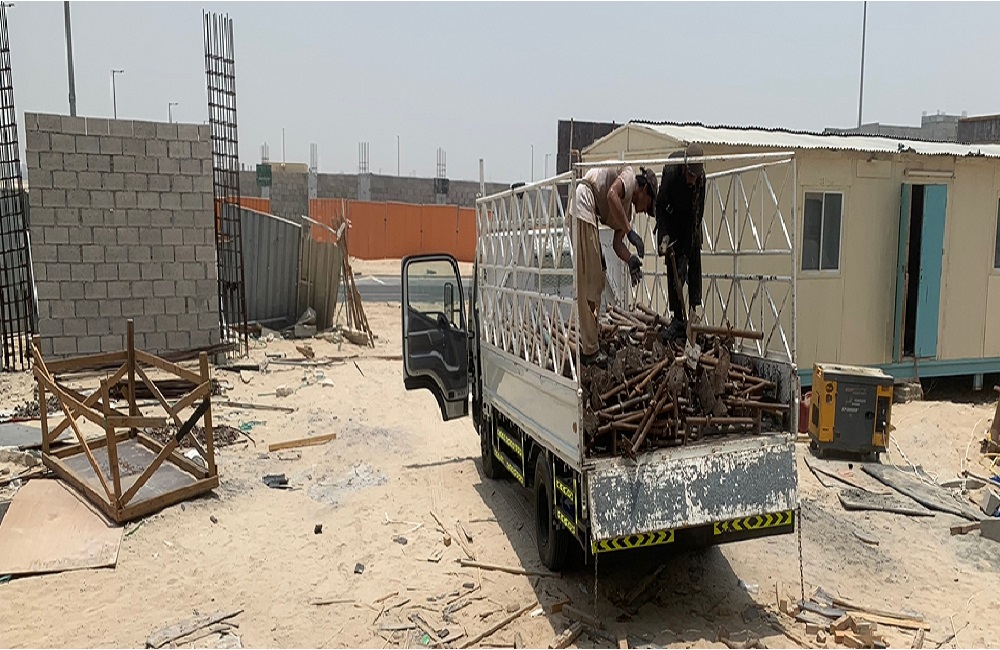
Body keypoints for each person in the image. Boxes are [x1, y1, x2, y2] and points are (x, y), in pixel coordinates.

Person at [573, 164, 657, 365]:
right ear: (644, 190)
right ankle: (590, 351)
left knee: (598, 278)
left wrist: (630, 260)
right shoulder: (628, 176)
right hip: (583, 203)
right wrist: (630, 232)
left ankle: (592, 341)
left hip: (589, 214)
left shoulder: (627, 213)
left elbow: (617, 245)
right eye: (648, 205)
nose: (645, 211)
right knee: (590, 281)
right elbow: (612, 195)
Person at [655, 143, 707, 342]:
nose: (692, 180)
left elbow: (696, 218)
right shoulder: (671, 170)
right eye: (690, 176)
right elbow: (660, 204)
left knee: (693, 260)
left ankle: (693, 315)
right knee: (673, 266)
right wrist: (664, 234)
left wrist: (685, 254)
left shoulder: (701, 180)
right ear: (685, 167)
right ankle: (677, 318)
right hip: (671, 218)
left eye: (696, 177)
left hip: (690, 222)